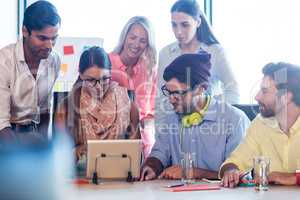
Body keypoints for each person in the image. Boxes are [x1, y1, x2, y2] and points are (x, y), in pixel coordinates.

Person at [140, 53, 249, 181]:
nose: (171, 99)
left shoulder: (235, 119)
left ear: (200, 89)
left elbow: (239, 175)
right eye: (168, 92)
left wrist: (195, 172)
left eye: (177, 93)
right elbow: (160, 152)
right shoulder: (171, 118)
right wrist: (152, 166)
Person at [220, 62, 300, 187]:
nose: (257, 97)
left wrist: (294, 178)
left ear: (286, 97)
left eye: (264, 91)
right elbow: (235, 161)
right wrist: (231, 170)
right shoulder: (260, 124)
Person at [55, 46, 140, 161]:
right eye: (91, 80)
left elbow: (135, 155)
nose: (99, 87)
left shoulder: (129, 105)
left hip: (120, 175)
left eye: (105, 79)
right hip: (81, 176)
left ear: (111, 73)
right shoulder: (66, 107)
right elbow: (59, 157)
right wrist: (78, 151)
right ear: (80, 74)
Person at [0, 1, 61, 146]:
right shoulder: (4, 61)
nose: (49, 46)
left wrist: (43, 150)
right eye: (42, 38)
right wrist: (21, 157)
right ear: (25, 31)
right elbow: (1, 123)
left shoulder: (54, 60)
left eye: (54, 38)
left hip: (34, 137)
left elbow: (45, 110)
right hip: (6, 137)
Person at [158, 0, 239, 104]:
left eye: (185, 25)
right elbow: (160, 97)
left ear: (198, 22)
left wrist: (206, 106)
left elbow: (233, 92)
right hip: (173, 118)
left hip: (210, 118)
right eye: (174, 25)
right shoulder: (165, 53)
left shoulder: (215, 52)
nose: (178, 32)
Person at [109, 16, 157, 158]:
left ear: (148, 44)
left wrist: (146, 122)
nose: (136, 44)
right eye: (132, 37)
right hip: (111, 141)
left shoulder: (150, 70)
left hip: (144, 145)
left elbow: (152, 111)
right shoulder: (106, 63)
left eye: (143, 41)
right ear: (124, 37)